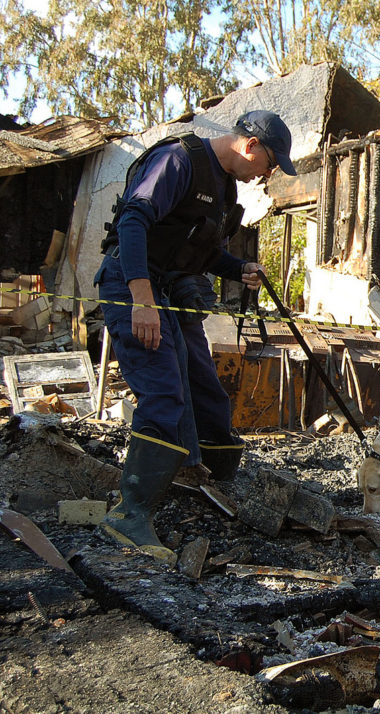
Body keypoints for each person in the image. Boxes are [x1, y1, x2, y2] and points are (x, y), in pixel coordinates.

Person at [95, 110, 297, 562]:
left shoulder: (224, 186)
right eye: (269, 164)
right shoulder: (178, 160)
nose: (266, 175)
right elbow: (132, 222)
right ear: (251, 146)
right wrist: (142, 300)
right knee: (164, 394)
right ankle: (128, 516)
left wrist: (238, 268)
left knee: (205, 389)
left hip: (172, 289)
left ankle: (201, 476)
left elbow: (203, 252)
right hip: (134, 286)